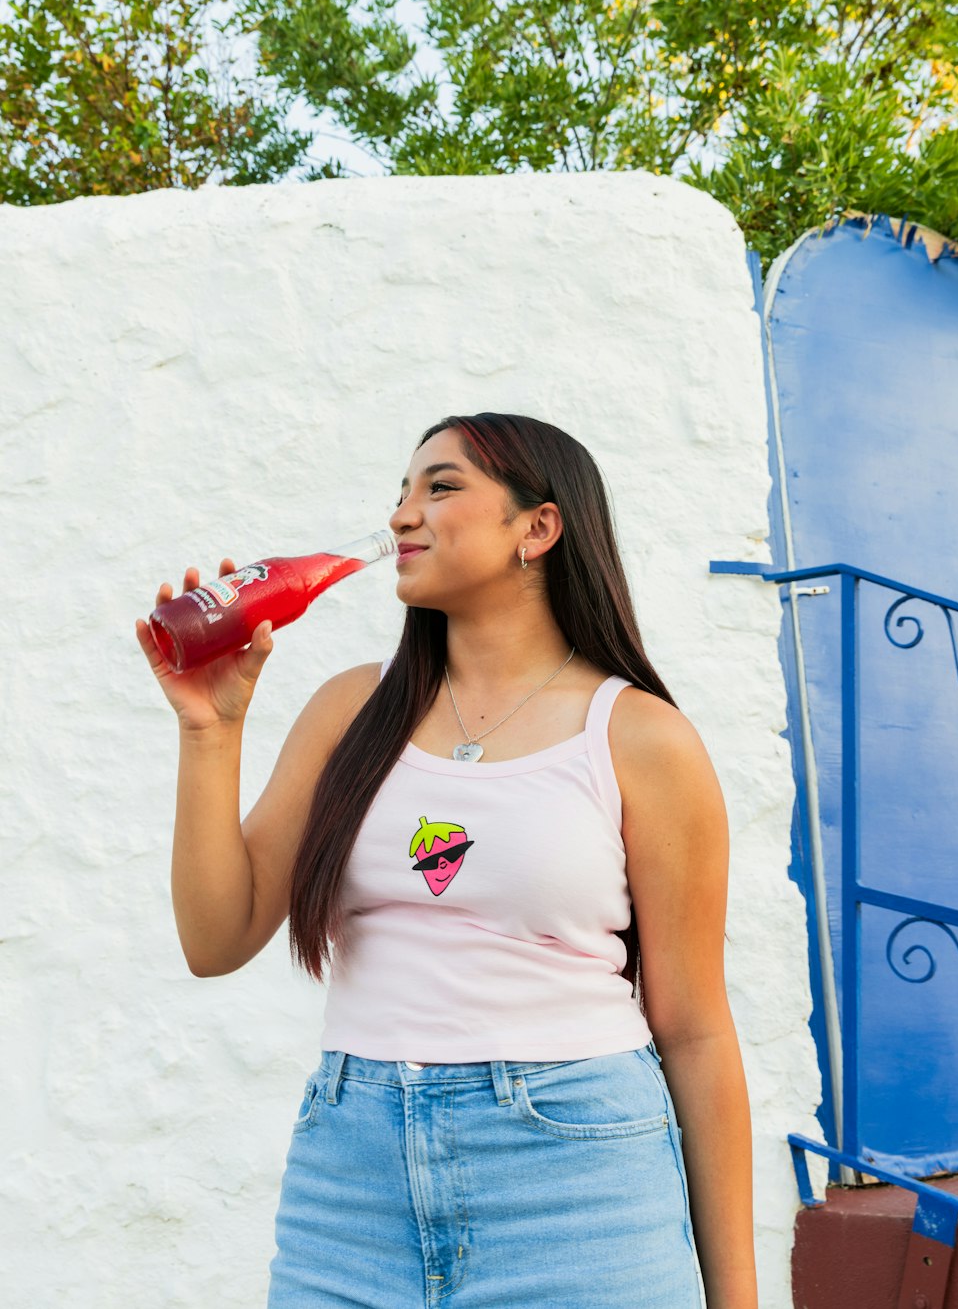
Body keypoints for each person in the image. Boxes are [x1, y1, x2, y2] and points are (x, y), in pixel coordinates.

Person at [135, 411, 757, 1309]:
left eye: (441, 486)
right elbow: (214, 937)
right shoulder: (354, 709)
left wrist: (736, 1298)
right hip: (350, 1184)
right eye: (400, 492)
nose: (401, 515)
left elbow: (695, 1029)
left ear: (537, 528)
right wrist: (209, 729)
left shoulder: (639, 738)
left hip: (575, 1178)